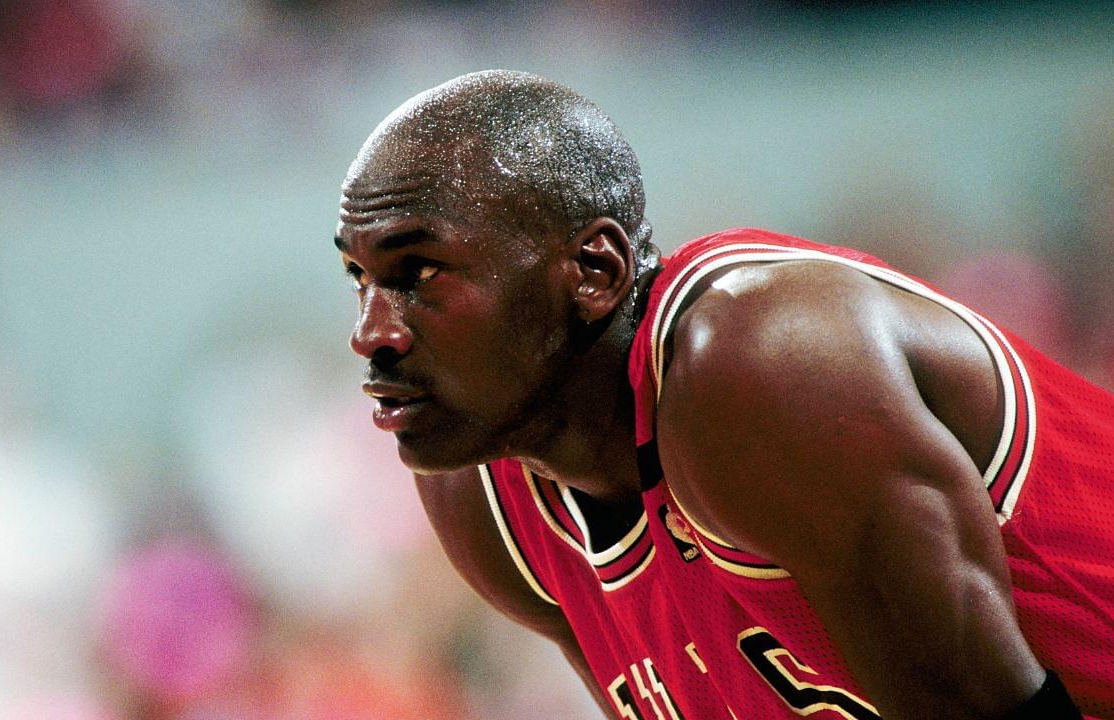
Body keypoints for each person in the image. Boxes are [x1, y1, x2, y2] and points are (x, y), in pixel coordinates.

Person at [333, 70, 1114, 720]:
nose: (371, 332)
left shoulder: (760, 368)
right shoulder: (483, 498)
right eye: (359, 278)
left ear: (595, 273)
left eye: (420, 273)